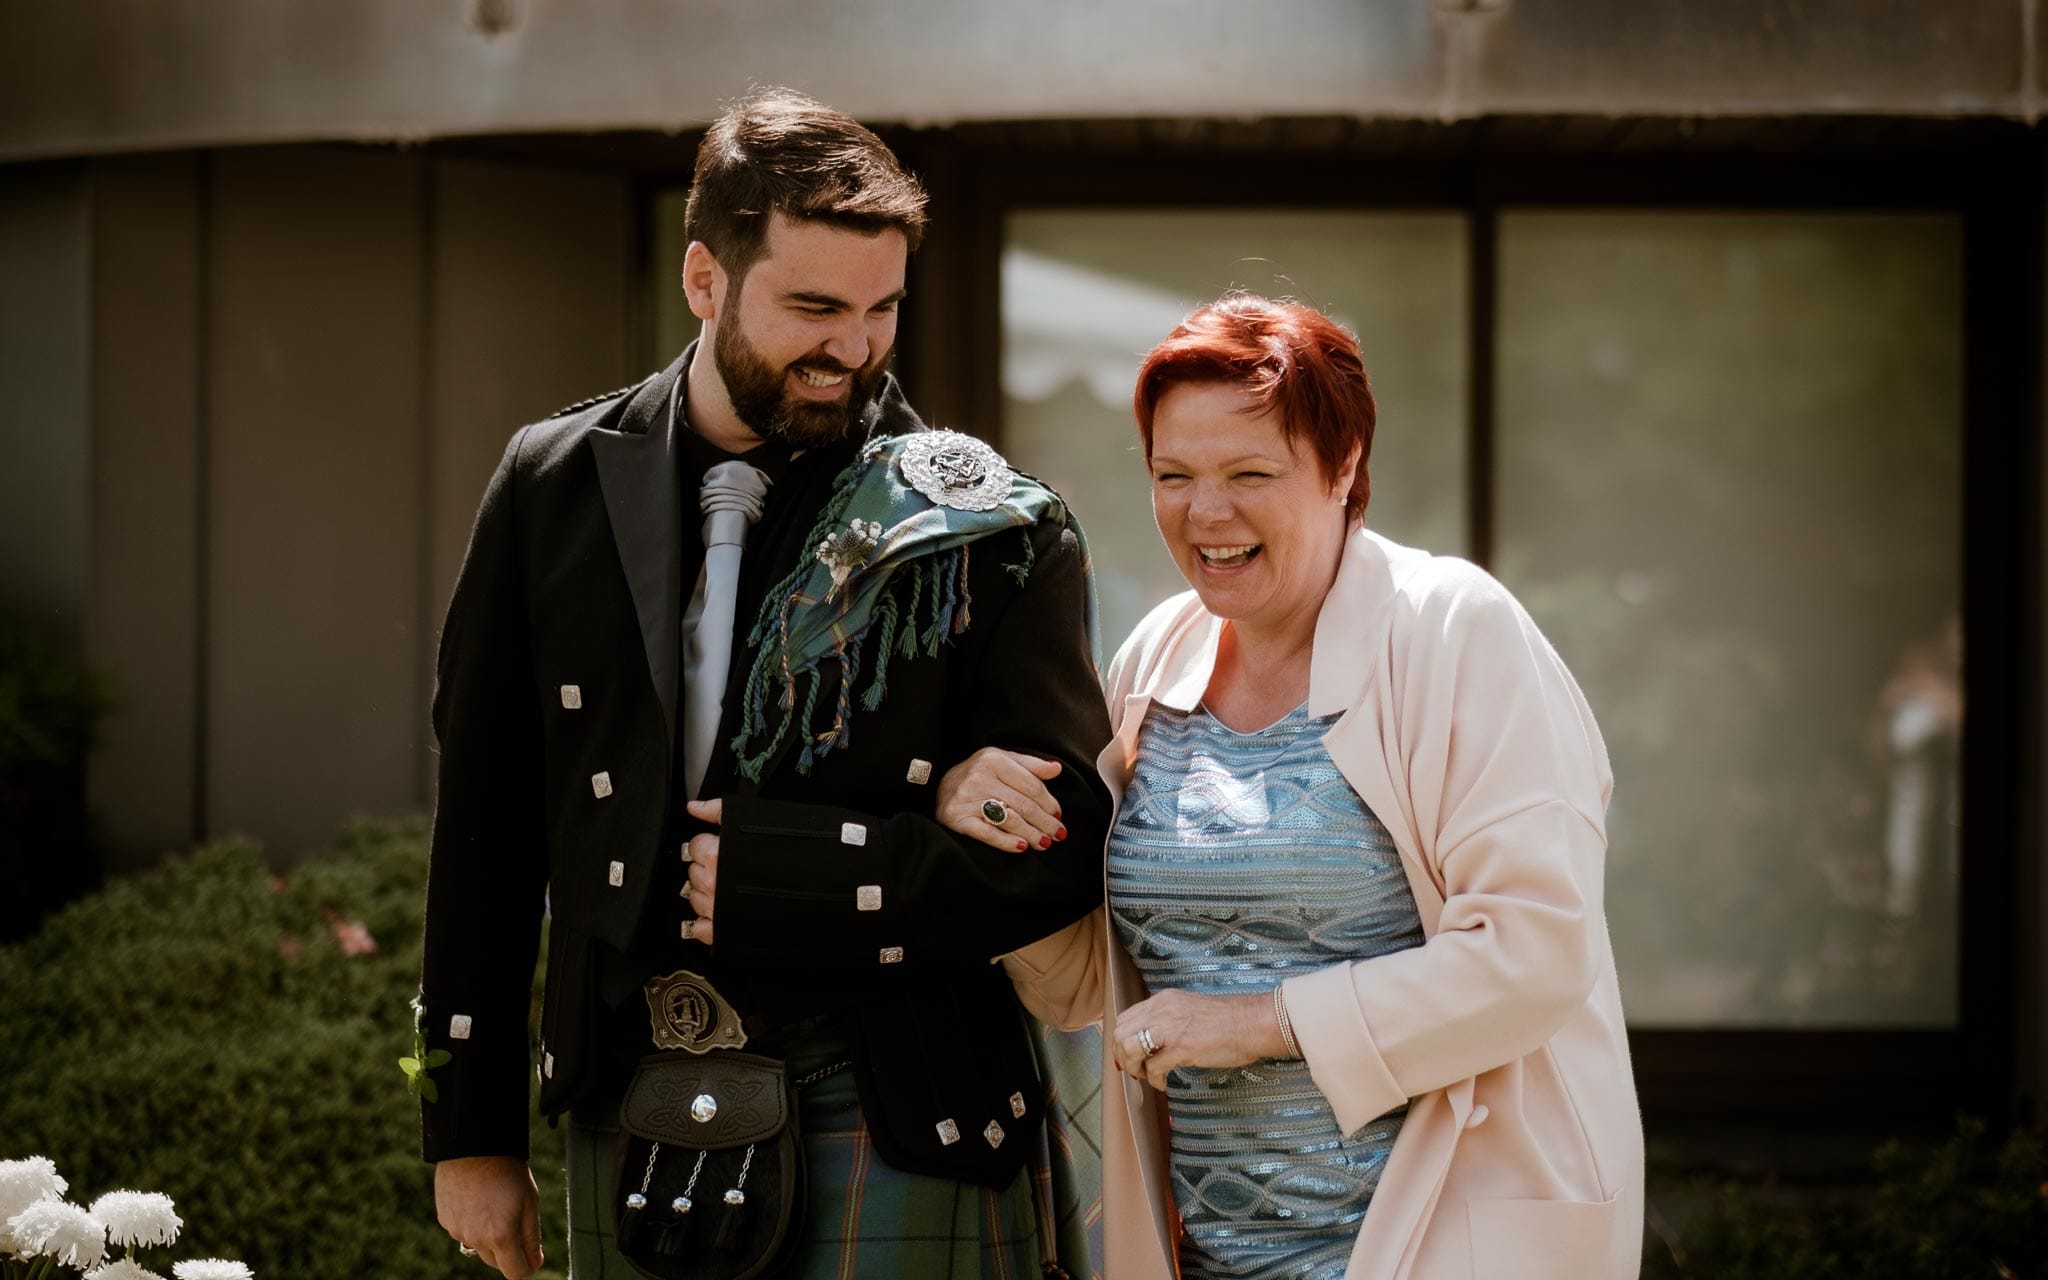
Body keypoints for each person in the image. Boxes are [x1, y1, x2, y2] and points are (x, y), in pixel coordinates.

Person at [415, 87, 1110, 1280]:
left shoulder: (985, 526)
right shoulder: (553, 483)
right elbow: (483, 826)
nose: (853, 345)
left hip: (896, 1094)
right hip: (627, 1086)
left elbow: (1065, 844)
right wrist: (467, 1129)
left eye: (882, 307)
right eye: (813, 307)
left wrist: (829, 879)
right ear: (703, 277)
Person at [938, 295, 1645, 1279]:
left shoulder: (1454, 629)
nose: (1204, 512)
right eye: (1172, 475)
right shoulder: (1152, 657)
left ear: (1342, 467)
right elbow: (1083, 983)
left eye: (1247, 474)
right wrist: (994, 829)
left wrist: (1250, 1024)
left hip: (1439, 1236)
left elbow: (1535, 950)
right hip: (1205, 1255)